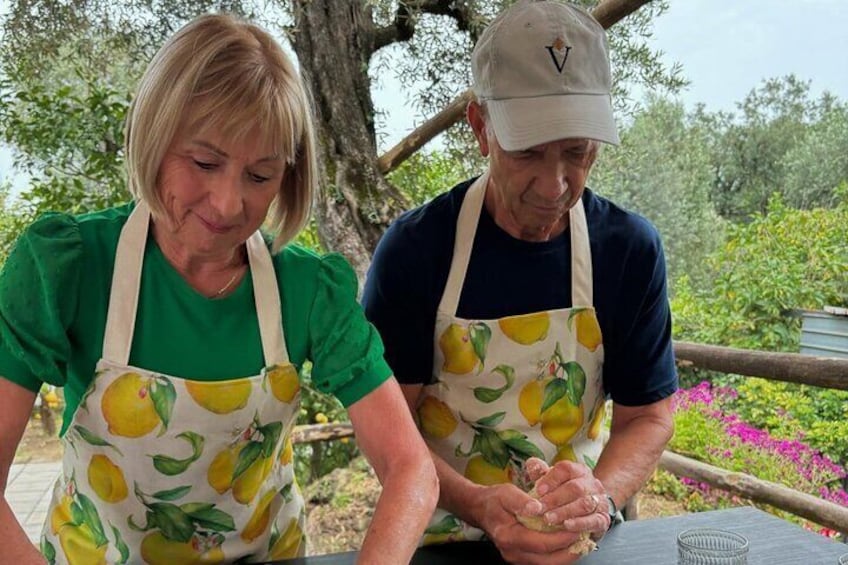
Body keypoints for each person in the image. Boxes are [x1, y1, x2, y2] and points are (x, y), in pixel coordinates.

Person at [0, 13, 437, 565]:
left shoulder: (307, 289)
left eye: (260, 176)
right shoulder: (69, 270)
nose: (230, 205)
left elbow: (410, 468)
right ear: (154, 138)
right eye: (205, 162)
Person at [363, 1, 676, 563]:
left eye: (577, 151)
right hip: (444, 536)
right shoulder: (416, 251)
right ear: (481, 127)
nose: (555, 185)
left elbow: (648, 416)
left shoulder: (627, 250)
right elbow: (389, 433)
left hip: (582, 541)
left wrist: (596, 498)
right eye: (529, 151)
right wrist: (480, 504)